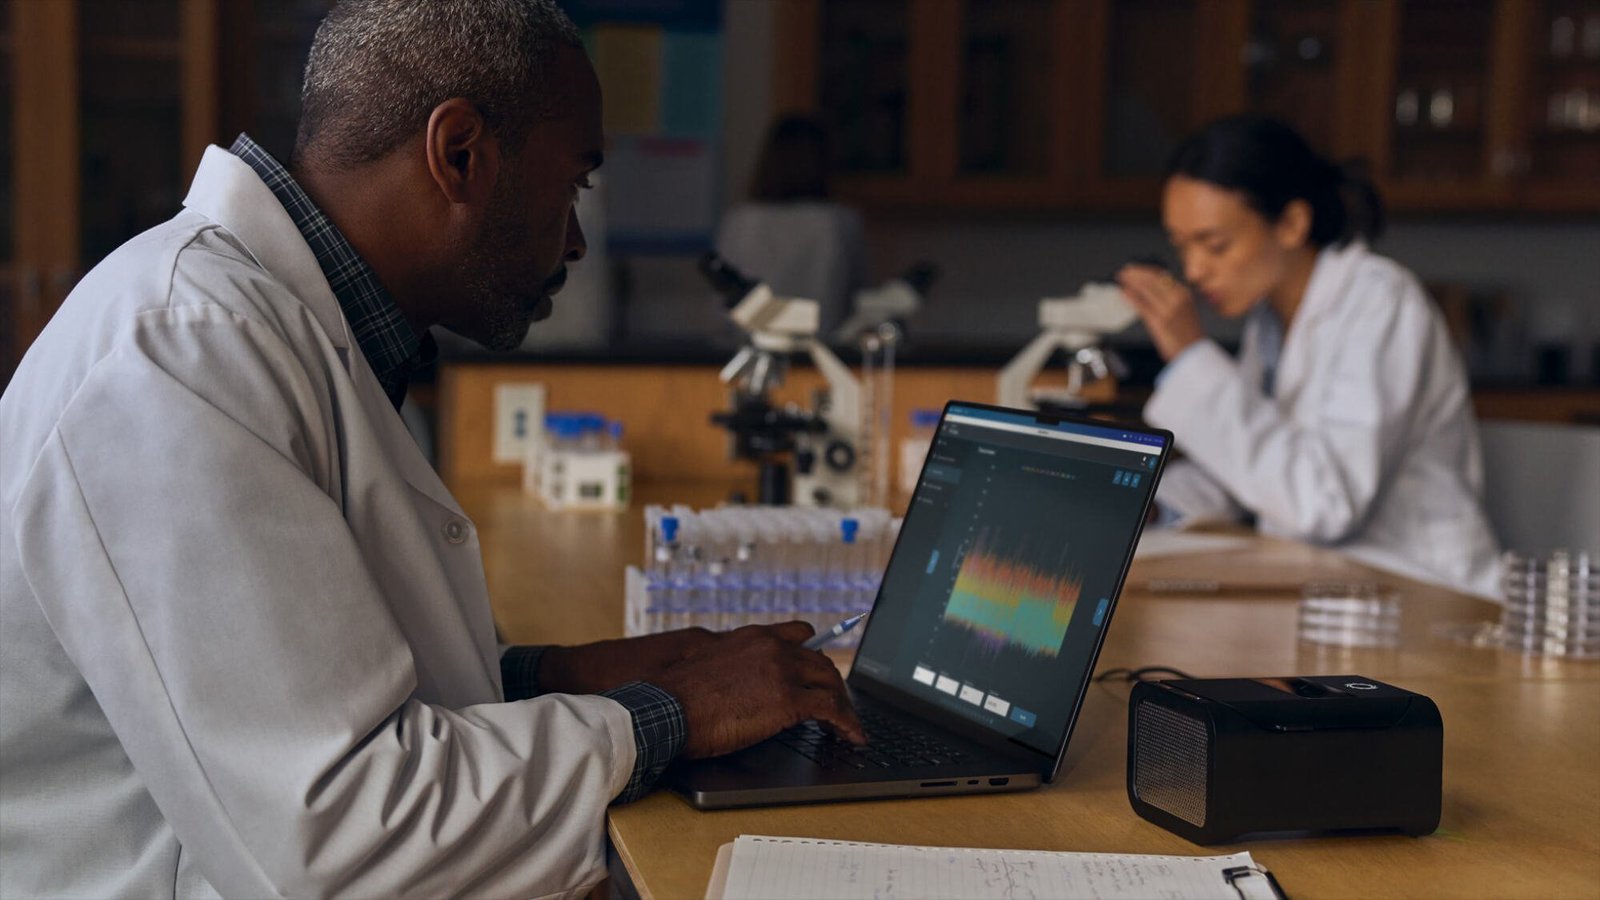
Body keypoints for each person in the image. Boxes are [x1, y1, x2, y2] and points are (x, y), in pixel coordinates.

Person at [0, 2, 861, 897]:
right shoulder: (183, 356)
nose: (574, 238)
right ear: (459, 154)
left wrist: (555, 676)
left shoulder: (301, 335)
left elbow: (340, 691)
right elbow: (342, 840)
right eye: (575, 185)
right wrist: (671, 715)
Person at [1117, 116, 1500, 598]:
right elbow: (1243, 473)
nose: (1193, 271)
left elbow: (1324, 503)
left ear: (1293, 224)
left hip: (1423, 590)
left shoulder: (1380, 301)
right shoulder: (1270, 321)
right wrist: (1144, 507)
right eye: (1182, 246)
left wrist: (1190, 354)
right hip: (1331, 585)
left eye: (1215, 245)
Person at [715, 115, 869, 333]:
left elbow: (721, 302)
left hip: (755, 346)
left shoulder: (741, 220)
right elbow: (857, 298)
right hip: (820, 347)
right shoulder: (839, 222)